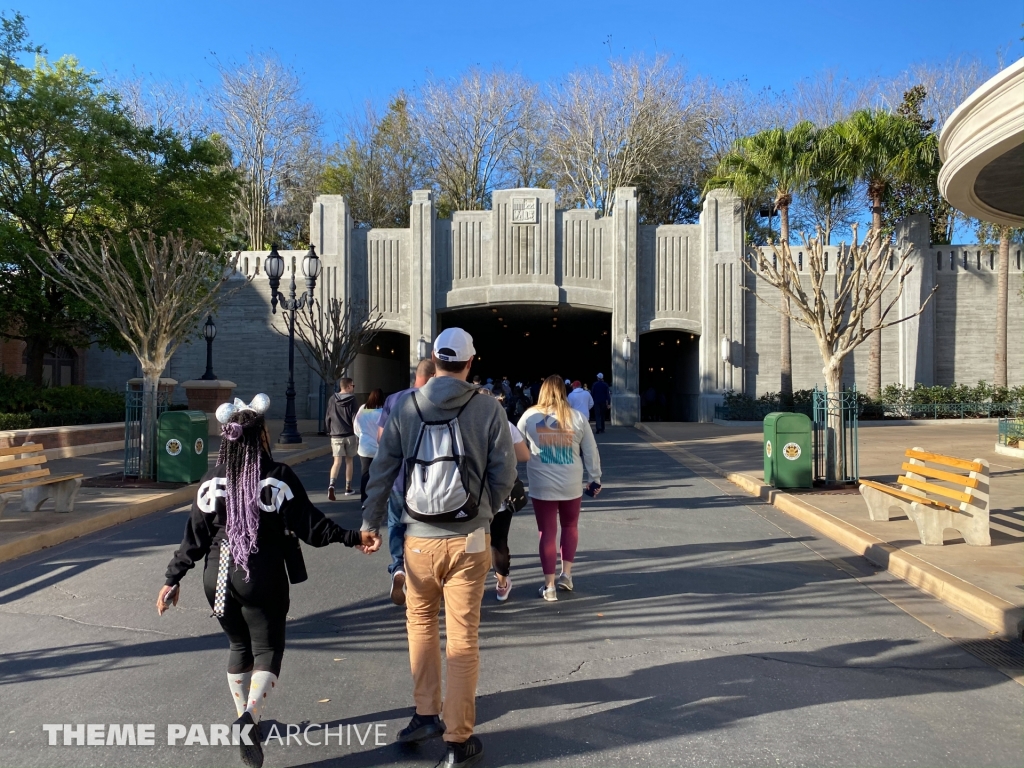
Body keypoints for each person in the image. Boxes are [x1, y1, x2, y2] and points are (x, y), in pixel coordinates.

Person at [157, 394, 373, 768]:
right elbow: (312, 527)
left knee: (239, 647)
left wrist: (172, 579)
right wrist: (353, 537)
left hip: (216, 575)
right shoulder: (277, 478)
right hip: (261, 574)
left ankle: (248, 719)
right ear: (261, 438)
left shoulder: (211, 481)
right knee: (267, 649)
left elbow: (193, 536)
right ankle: (249, 719)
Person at [362, 327, 517, 768]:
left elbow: (382, 471)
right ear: (471, 362)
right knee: (463, 637)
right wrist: (484, 510)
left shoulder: (407, 406)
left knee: (420, 624)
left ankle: (424, 713)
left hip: (418, 540)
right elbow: (505, 475)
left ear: (434, 359)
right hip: (470, 540)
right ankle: (458, 739)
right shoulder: (487, 407)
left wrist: (370, 523)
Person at [518, 375, 602, 602]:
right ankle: (567, 574)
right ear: (564, 393)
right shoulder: (577, 417)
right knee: (570, 525)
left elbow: (515, 446)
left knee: (546, 532)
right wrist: (595, 478)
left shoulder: (529, 416)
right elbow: (591, 450)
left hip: (541, 482)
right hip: (571, 482)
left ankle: (549, 586)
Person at [376, 359, 436, 605]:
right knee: (424, 528)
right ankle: (422, 574)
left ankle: (398, 566)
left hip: (398, 477)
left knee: (395, 523)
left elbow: (381, 439)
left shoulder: (393, 400)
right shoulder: (434, 401)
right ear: (433, 377)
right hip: (427, 480)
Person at [477, 387, 531, 601]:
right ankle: (501, 584)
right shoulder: (506, 426)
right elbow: (524, 455)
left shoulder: (463, 424)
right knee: (499, 540)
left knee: (472, 542)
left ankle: (473, 586)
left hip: (471, 495)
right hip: (500, 493)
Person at [325, 378, 358, 498]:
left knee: (337, 461)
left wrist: (329, 430)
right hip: (349, 433)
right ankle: (348, 488)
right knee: (349, 461)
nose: (353, 388)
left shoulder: (332, 399)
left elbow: (328, 417)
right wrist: (357, 432)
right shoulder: (352, 399)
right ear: (348, 386)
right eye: (353, 386)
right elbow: (355, 417)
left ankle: (332, 485)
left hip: (335, 434)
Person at [353, 388, 384, 504]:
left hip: (365, 447)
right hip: (379, 448)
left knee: (365, 474)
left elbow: (356, 428)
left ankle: (364, 499)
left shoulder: (362, 409)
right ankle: (378, 498)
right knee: (380, 474)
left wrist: (363, 435)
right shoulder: (383, 412)